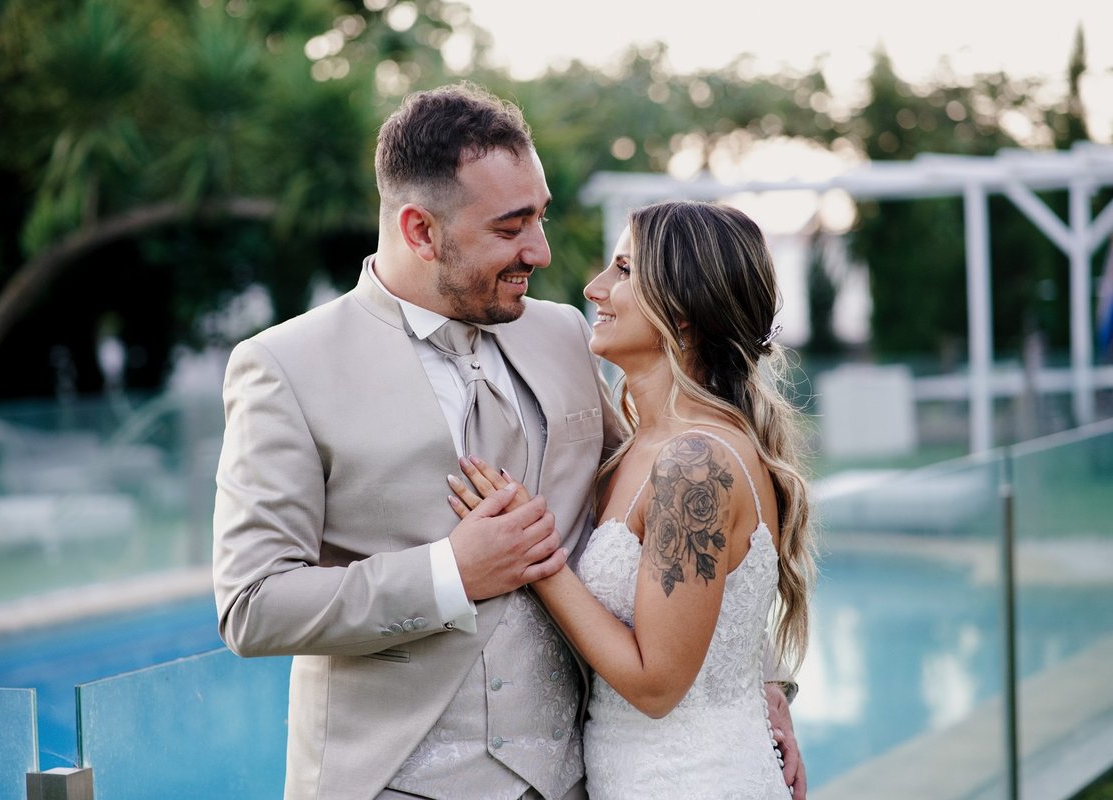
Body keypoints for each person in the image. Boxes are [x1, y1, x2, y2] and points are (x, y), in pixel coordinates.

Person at [212, 81, 804, 800]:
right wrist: (450, 574)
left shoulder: (562, 336)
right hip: (392, 783)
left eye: (540, 218)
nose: (543, 251)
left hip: (581, 779)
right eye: (510, 227)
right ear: (421, 231)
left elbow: (681, 523)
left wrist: (751, 682)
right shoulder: (285, 367)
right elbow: (251, 604)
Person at [448, 200, 816, 799]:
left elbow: (655, 684)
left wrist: (534, 554)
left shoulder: (696, 465)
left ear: (685, 309)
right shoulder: (637, 448)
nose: (595, 288)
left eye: (623, 270)